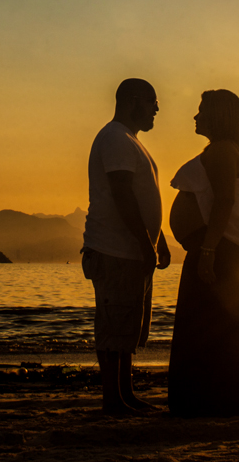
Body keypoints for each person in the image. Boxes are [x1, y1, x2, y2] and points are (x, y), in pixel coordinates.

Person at [167, 90, 239, 417]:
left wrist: (208, 249)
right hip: (219, 246)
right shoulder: (227, 150)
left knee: (206, 325)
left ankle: (209, 399)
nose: (196, 116)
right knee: (219, 323)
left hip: (218, 248)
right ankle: (225, 396)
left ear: (218, 115)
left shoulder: (221, 151)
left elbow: (224, 201)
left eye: (202, 110)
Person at [82, 78, 172, 415]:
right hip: (115, 249)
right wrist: (146, 243)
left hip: (130, 249)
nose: (157, 109)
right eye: (152, 102)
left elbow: (141, 197)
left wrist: (158, 239)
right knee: (114, 324)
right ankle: (113, 399)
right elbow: (122, 195)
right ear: (132, 101)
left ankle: (125, 395)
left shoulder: (128, 140)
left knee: (126, 326)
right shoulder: (116, 139)